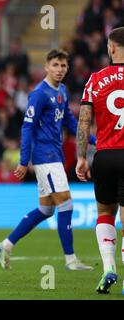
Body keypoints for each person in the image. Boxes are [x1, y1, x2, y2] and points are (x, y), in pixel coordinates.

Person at [0, 49, 95, 271]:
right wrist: (23, 160)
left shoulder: (63, 91)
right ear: (47, 67)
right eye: (56, 65)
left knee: (46, 210)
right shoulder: (39, 94)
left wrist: (95, 139)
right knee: (66, 203)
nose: (60, 70)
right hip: (45, 156)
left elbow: (69, 121)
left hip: (54, 155)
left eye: (64, 66)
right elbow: (27, 127)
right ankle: (71, 260)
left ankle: (5, 245)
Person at [76, 26, 124, 294]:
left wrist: (82, 157)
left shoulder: (95, 80)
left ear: (112, 48)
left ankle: (109, 268)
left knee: (105, 213)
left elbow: (84, 122)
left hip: (104, 156)